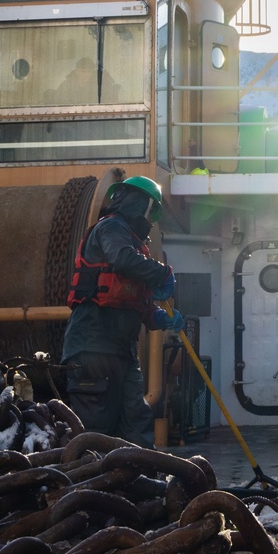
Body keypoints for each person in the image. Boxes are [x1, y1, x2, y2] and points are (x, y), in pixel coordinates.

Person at [62, 174, 177, 446]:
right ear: (139, 204)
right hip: (92, 348)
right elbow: (122, 259)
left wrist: (157, 317)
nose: (150, 220)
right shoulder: (110, 229)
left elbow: (134, 301)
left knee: (137, 421)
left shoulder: (136, 246)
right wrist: (163, 274)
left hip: (122, 352)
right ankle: (88, 484)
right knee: (97, 429)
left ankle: (142, 480)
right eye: (151, 211)